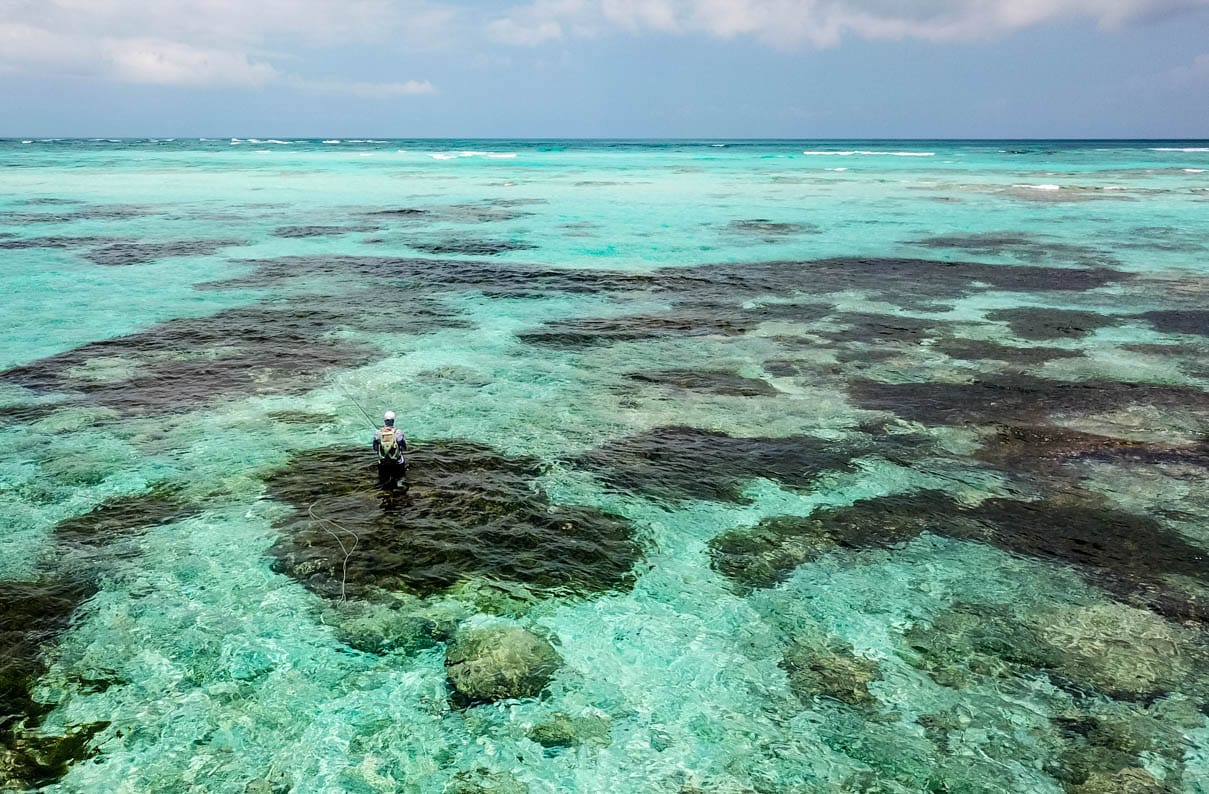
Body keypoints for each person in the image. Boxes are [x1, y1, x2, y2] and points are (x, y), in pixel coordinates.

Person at [372, 410, 407, 488]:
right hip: (397, 463)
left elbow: (375, 448)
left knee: (383, 481)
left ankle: (384, 486)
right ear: (393, 421)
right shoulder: (398, 432)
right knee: (399, 477)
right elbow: (404, 447)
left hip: (383, 463)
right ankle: (400, 484)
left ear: (384, 421)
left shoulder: (377, 433)